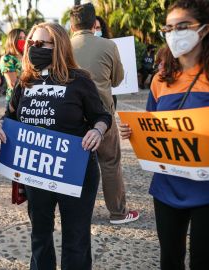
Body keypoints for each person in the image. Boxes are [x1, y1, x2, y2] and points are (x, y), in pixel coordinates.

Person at [0, 22, 112, 270]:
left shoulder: (79, 80)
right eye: (31, 44)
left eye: (41, 44)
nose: (34, 48)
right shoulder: (25, 82)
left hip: (75, 172)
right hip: (36, 172)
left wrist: (97, 131)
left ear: (58, 46)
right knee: (40, 237)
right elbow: (10, 116)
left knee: (76, 240)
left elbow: (102, 116)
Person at [120, 0, 209, 269]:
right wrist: (134, 131)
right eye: (169, 27)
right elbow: (153, 124)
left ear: (204, 29)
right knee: (169, 259)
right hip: (168, 187)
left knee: (207, 261)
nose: (174, 33)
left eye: (183, 26)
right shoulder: (160, 78)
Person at [70, 3, 139, 225]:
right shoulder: (108, 45)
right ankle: (118, 213)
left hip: (72, 116)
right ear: (94, 24)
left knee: (74, 164)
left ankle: (76, 212)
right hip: (103, 115)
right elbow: (117, 80)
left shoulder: (63, 47)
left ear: (72, 25)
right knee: (110, 162)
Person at [94, 16, 119, 109]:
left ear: (102, 29)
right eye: (93, 28)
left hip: (107, 96)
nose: (95, 31)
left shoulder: (110, 47)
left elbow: (117, 77)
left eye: (97, 28)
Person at [0, 28, 25, 110]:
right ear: (13, 40)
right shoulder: (7, 58)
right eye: (20, 38)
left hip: (28, 98)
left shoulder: (26, 57)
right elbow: (13, 83)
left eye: (24, 38)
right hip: (15, 100)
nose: (23, 41)